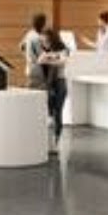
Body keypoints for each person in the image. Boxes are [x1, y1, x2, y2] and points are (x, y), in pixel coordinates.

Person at [38, 28, 70, 156]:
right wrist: (53, 57)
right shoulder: (46, 51)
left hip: (60, 83)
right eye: (42, 41)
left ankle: (56, 143)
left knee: (58, 113)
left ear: (52, 39)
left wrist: (50, 58)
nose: (44, 43)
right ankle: (49, 143)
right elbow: (40, 60)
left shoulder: (63, 49)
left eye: (45, 41)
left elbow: (63, 61)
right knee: (49, 113)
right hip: (50, 84)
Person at [22, 13, 48, 89]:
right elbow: (41, 56)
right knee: (38, 91)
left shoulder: (29, 34)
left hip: (29, 67)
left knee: (31, 89)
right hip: (37, 69)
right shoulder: (37, 38)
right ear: (42, 24)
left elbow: (22, 46)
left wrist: (28, 55)